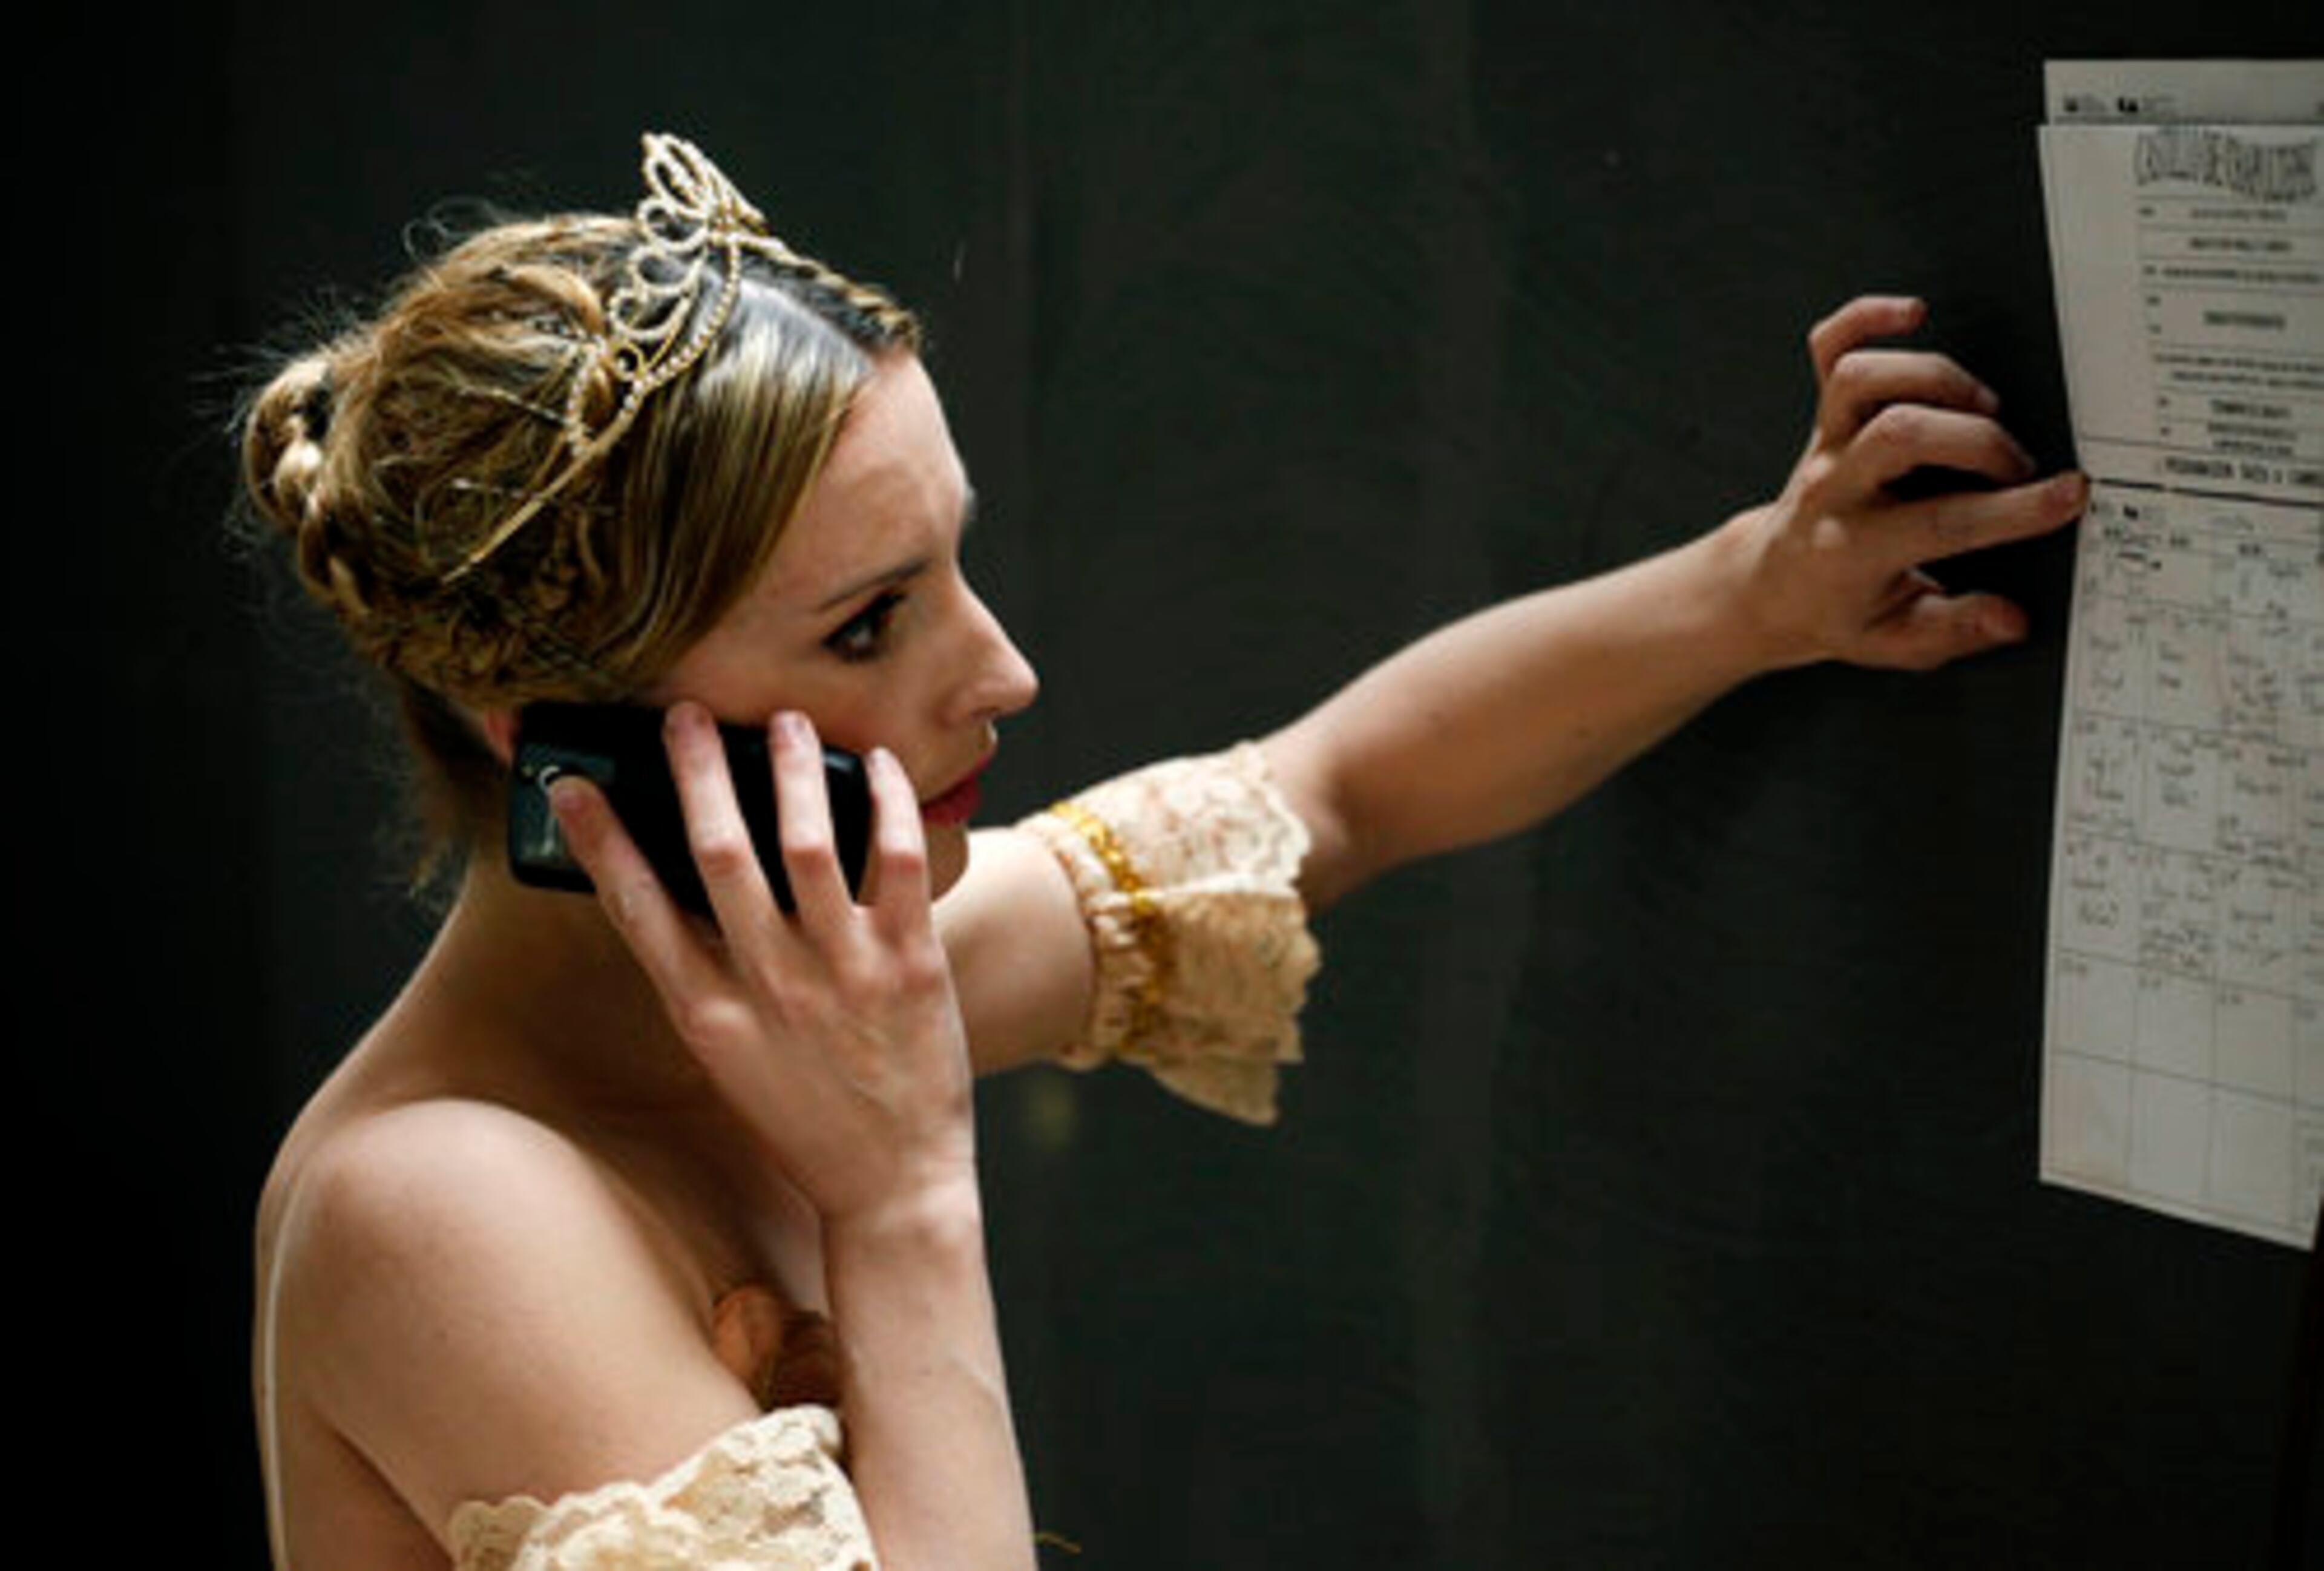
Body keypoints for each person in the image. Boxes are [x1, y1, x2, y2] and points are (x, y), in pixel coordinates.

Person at [241, 133, 2086, 1569]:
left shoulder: (812, 985)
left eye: (958, 558)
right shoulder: (446, 1208)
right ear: (558, 738)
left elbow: (1332, 796)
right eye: (873, 622)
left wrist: (1760, 590)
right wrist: (900, 1196)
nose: (1009, 672)